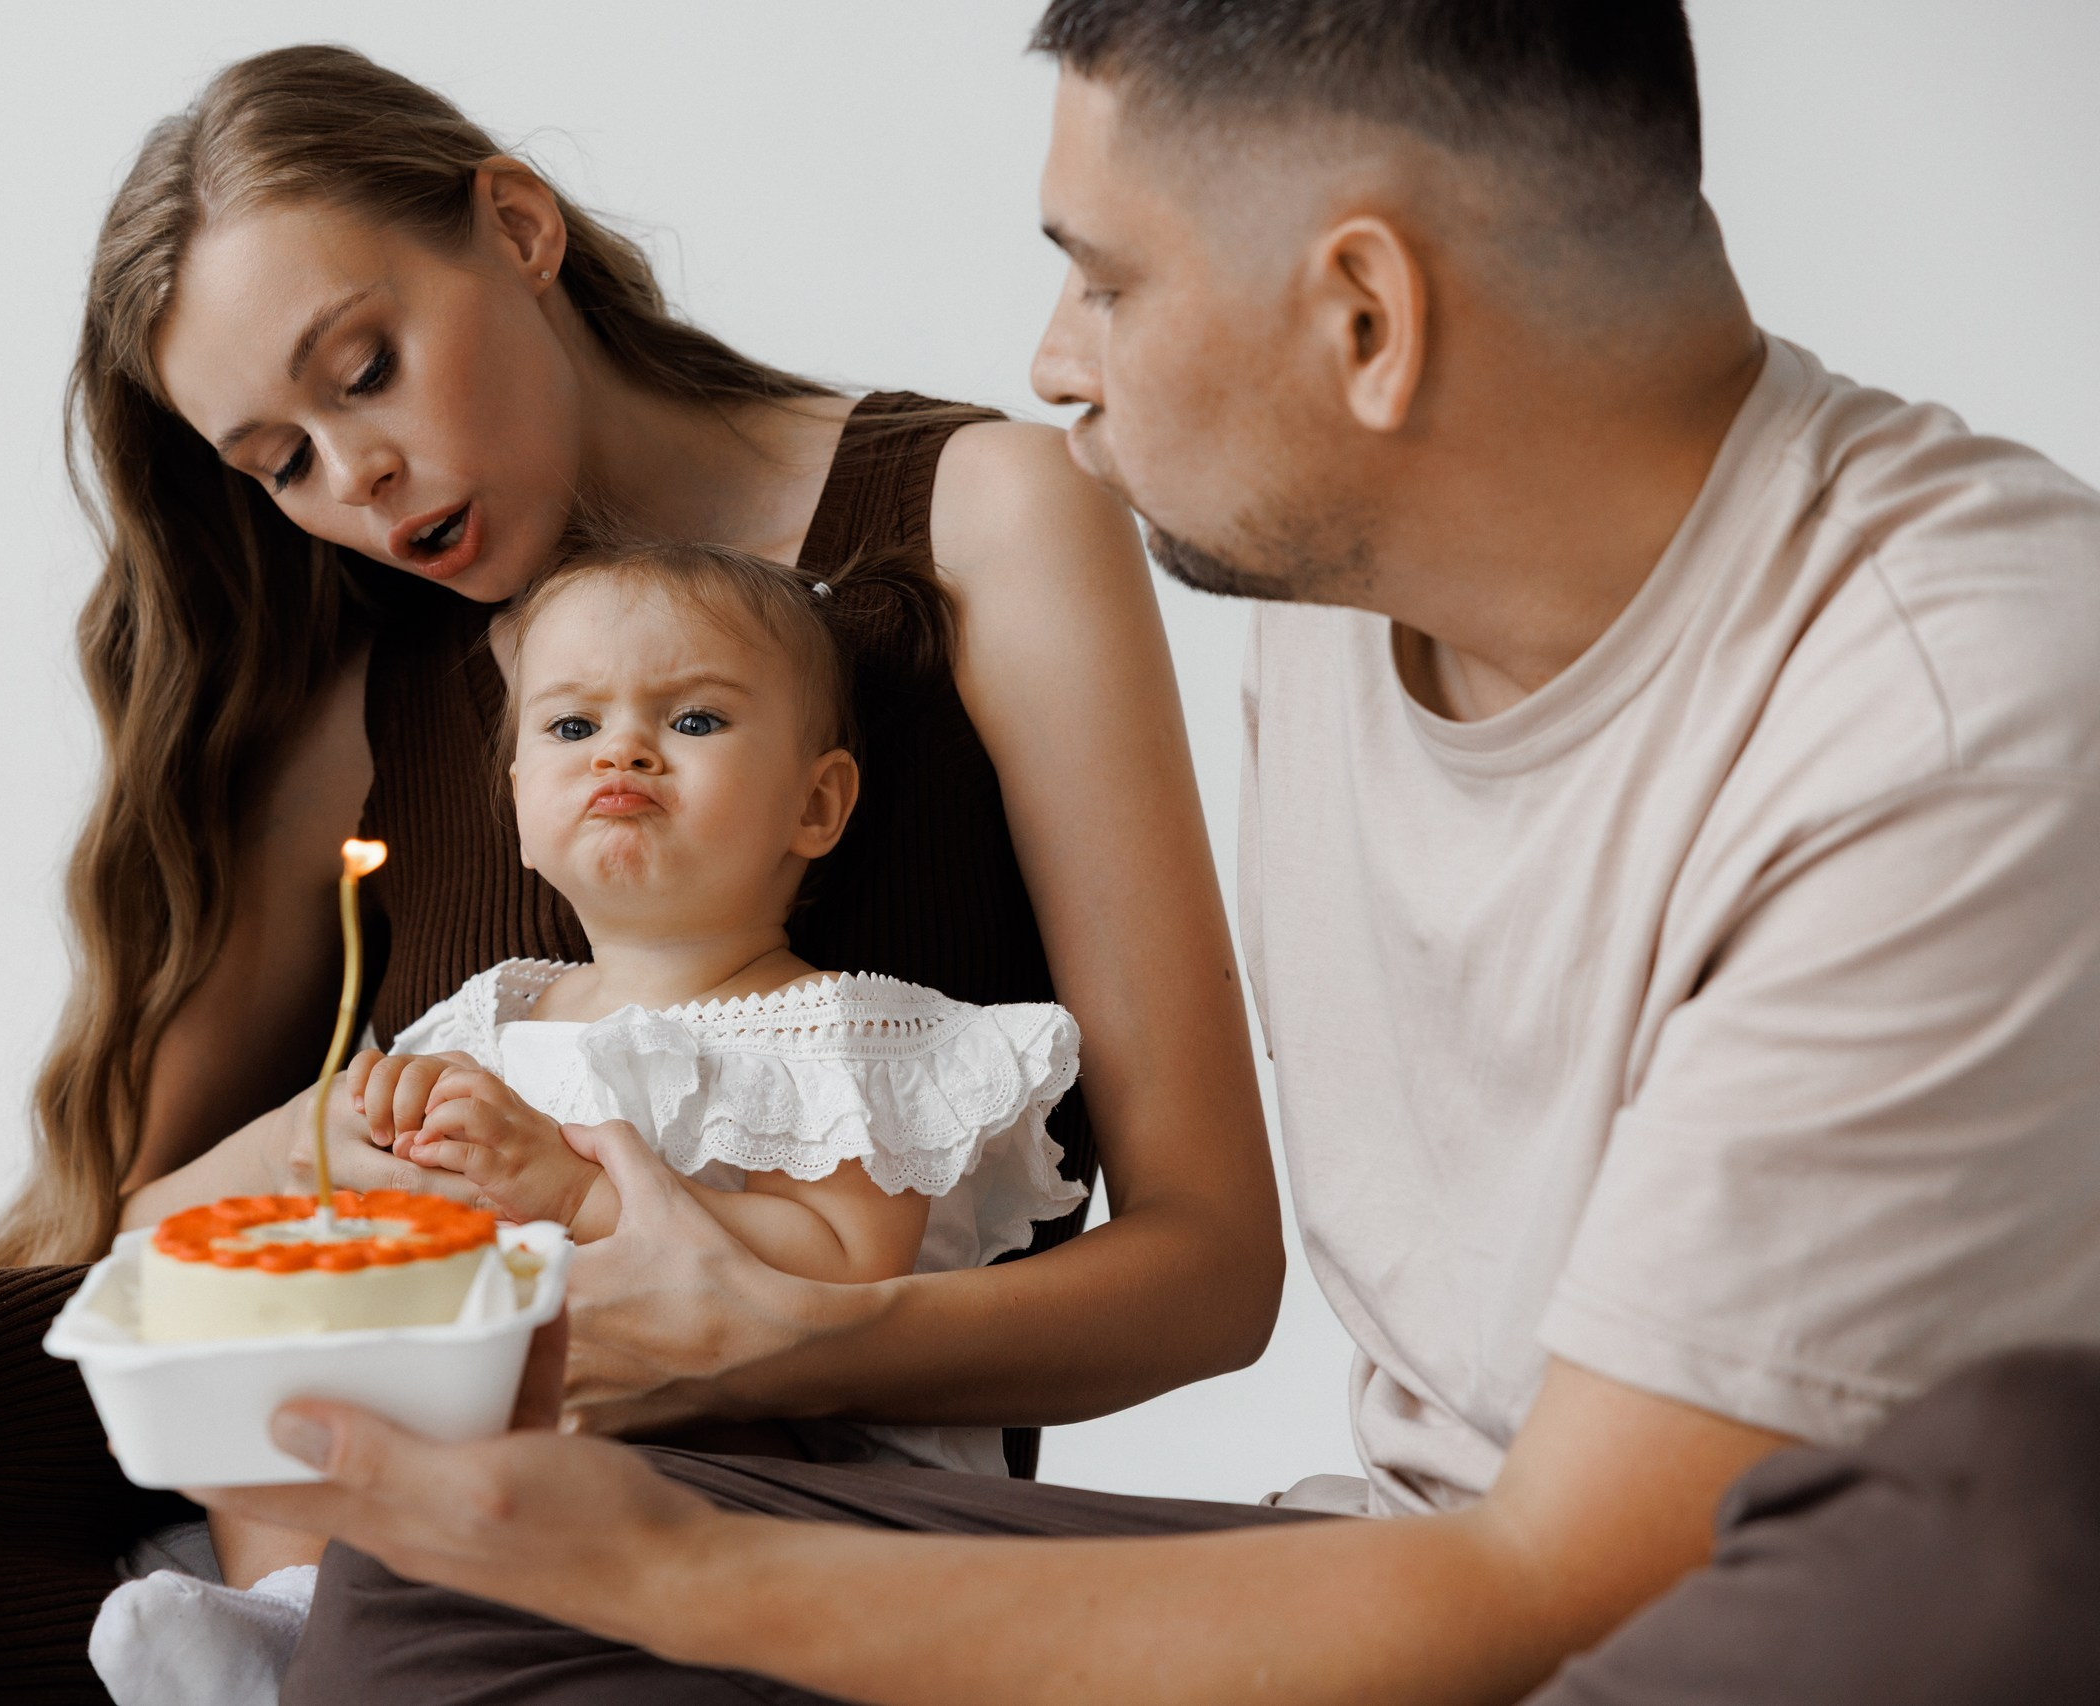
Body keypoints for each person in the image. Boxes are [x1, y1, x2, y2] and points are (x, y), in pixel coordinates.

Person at [182, 3, 2100, 1702]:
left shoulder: (1955, 711)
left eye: (1103, 280)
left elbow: (1560, 1585)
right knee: (433, 1588)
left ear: (1367, 318)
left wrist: (680, 1569)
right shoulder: (1347, 581)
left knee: (2026, 1512)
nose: (1056, 362)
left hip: (1677, 1609)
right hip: (1390, 1561)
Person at [0, 44, 1280, 1706]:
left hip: (731, 1496)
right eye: (277, 461)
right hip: (324, 1458)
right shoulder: (347, 671)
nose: (354, 482)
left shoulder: (980, 520)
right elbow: (161, 1235)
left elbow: (1213, 1274)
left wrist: (764, 1325)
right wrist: (332, 1164)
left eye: (363, 369)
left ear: (517, 231)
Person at [93, 540, 1091, 1704]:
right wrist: (366, 1137)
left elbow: (847, 1265)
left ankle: (349, 1636)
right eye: (571, 728)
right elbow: (172, 1221)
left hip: (752, 1440)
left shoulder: (845, 1034)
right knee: (285, 1373)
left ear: (816, 803)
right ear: (519, 803)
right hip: (483, 1415)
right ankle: (285, 1622)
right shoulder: (486, 1019)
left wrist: (579, 1197)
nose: (622, 748)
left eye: (696, 720)